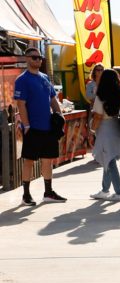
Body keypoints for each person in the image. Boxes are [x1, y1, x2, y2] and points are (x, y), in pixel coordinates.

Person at [13, 47, 66, 206]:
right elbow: (21, 104)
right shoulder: (22, 80)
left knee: (48, 160)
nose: (38, 60)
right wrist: (27, 125)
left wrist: (60, 115)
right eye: (34, 57)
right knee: (29, 161)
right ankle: (26, 195)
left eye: (40, 57)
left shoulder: (44, 78)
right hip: (33, 128)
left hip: (48, 127)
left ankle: (48, 193)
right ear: (27, 59)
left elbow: (53, 99)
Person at [89, 69, 120, 201]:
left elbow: (98, 116)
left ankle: (119, 191)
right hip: (116, 127)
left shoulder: (100, 97)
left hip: (105, 129)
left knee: (110, 162)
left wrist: (92, 130)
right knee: (109, 159)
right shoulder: (119, 95)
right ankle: (105, 189)